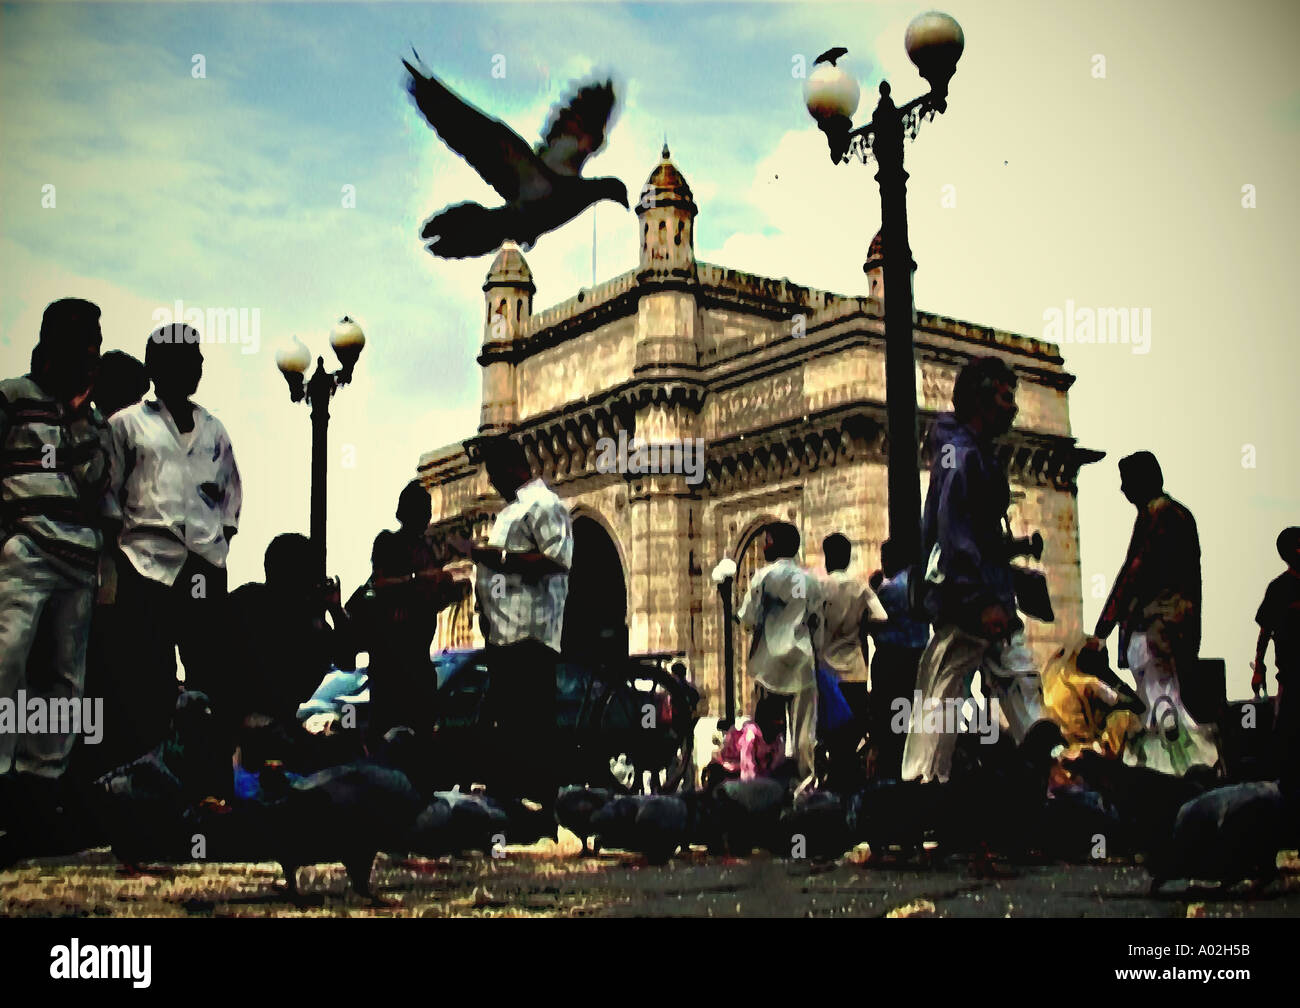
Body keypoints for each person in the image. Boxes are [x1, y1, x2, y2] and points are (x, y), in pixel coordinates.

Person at [901, 356, 1057, 786]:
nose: (1014, 409)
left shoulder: (975, 454)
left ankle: (1041, 758)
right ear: (981, 402)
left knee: (1016, 675)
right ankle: (923, 787)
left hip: (990, 595)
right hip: (968, 600)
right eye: (1007, 399)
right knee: (945, 691)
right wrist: (978, 599)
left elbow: (975, 534)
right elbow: (953, 533)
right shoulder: (962, 457)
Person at [0, 298, 116, 844]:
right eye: (79, 338)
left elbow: (96, 485)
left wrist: (76, 417)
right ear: (49, 344)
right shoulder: (13, 397)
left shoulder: (91, 420)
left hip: (77, 559)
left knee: (63, 683)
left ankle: (37, 791)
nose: (88, 349)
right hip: (25, 550)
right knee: (7, 662)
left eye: (93, 339)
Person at [109, 325, 241, 757]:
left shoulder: (214, 430)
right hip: (146, 566)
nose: (198, 366)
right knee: (149, 679)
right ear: (157, 367)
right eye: (187, 358)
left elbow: (231, 500)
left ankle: (209, 786)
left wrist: (216, 549)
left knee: (213, 679)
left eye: (199, 357)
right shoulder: (126, 425)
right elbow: (107, 494)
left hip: (204, 569)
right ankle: (150, 780)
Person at [447, 435, 573, 807]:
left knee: (529, 727)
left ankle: (537, 808)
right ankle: (508, 807)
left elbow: (555, 560)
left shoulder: (544, 505)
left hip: (529, 638)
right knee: (504, 729)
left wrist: (485, 554)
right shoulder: (510, 512)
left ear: (514, 467)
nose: (492, 482)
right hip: (504, 640)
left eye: (495, 473)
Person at [1086, 451, 1217, 774]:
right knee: (1163, 701)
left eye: (1126, 481)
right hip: (1175, 624)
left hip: (1154, 626)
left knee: (1161, 702)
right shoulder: (1176, 514)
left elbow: (1133, 573)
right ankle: (1183, 768)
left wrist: (1102, 629)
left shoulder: (1157, 515)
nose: (1122, 490)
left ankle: (1188, 769)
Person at [346, 481, 456, 741]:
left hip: (418, 658)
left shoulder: (427, 549)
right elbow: (378, 584)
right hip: (390, 658)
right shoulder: (388, 542)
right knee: (385, 733)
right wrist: (419, 579)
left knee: (420, 735)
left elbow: (432, 598)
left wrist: (443, 591)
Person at [226, 533, 353, 751]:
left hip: (262, 724)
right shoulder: (303, 622)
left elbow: (345, 660)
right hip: (258, 725)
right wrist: (334, 609)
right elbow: (346, 660)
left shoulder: (246, 599)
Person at [737, 521, 823, 784]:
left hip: (769, 665)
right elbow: (817, 620)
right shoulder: (809, 580)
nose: (764, 545)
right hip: (801, 662)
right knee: (803, 733)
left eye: (767, 540)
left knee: (768, 733)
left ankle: (765, 786)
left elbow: (748, 619)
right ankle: (804, 785)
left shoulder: (762, 577)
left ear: (776, 544)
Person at [868, 538, 931, 780]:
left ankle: (891, 773)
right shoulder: (918, 585)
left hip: (892, 662)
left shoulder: (890, 590)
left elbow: (871, 620)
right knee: (910, 723)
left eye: (884, 559)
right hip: (917, 661)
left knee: (889, 724)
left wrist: (874, 588)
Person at [1252, 526, 1300, 793]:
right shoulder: (1279, 589)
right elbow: (1264, 631)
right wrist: (1259, 668)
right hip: (1291, 679)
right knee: (1285, 735)